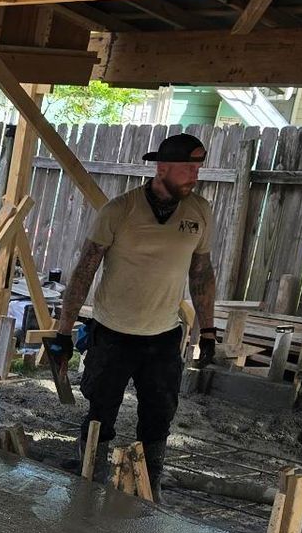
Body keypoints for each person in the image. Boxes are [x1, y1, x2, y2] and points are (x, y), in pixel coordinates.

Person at [49, 132, 216, 496]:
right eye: (187, 168)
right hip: (114, 331)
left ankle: (148, 487)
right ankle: (88, 479)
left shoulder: (200, 212)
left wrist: (209, 331)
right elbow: (85, 269)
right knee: (101, 410)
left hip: (163, 334)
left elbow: (201, 273)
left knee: (158, 416)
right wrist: (63, 331)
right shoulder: (120, 210)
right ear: (163, 167)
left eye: (198, 168)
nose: (194, 176)